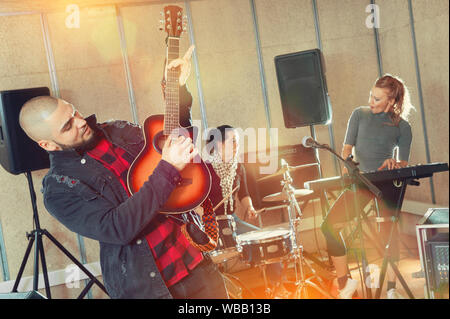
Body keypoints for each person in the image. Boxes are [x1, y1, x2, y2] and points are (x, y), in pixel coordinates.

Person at [18, 46, 228, 299]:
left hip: (196, 264)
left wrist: (177, 92)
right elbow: (118, 228)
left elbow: (173, 140)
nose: (80, 121)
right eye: (68, 125)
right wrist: (168, 168)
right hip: (148, 290)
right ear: (47, 144)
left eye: (74, 111)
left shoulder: (117, 130)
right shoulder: (59, 190)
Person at [320, 74, 413, 299]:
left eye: (377, 99)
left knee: (388, 236)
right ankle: (345, 283)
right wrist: (347, 163)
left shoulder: (403, 127)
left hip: (387, 184)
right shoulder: (359, 115)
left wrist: (395, 163)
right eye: (371, 96)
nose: (371, 101)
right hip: (360, 182)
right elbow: (346, 150)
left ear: (391, 102)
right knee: (329, 227)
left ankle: (391, 289)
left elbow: (403, 163)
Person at [205, 125, 290, 299]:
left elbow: (243, 193)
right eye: (233, 140)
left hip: (231, 220)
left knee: (267, 242)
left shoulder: (238, 167)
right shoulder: (205, 168)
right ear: (219, 144)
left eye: (237, 140)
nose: (237, 144)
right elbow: (197, 198)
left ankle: (277, 289)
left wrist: (250, 207)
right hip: (209, 223)